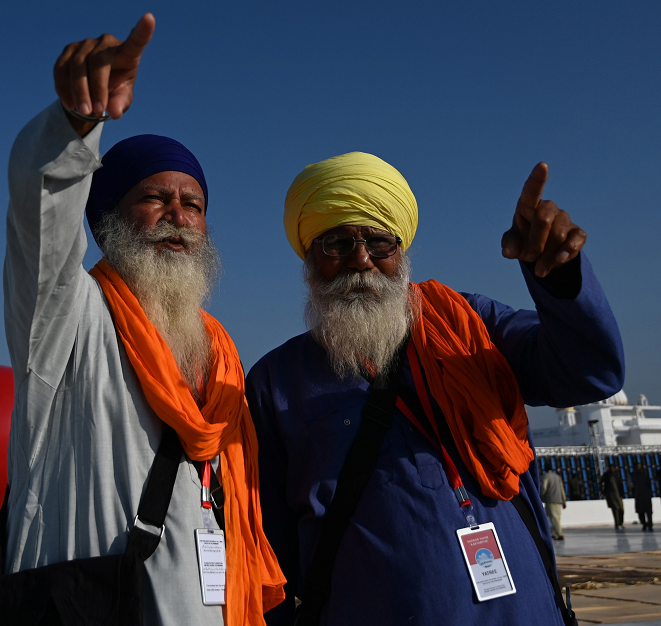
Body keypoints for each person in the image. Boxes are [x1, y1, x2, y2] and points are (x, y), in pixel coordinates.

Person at [0, 14, 283, 626]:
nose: (177, 214)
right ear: (108, 220)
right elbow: (41, 222)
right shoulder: (71, 320)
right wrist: (74, 125)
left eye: (192, 204)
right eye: (154, 198)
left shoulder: (217, 355)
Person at [247, 152, 624, 625]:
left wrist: (562, 279)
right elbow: (266, 560)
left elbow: (590, 372)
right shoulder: (276, 383)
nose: (361, 260)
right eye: (337, 244)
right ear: (309, 260)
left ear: (400, 253)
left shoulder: (470, 324)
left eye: (379, 243)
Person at [541, 471, 567, 540]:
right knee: (557, 518)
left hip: (551, 500)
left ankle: (559, 534)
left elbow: (544, 487)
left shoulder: (546, 476)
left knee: (553, 518)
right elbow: (562, 489)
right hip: (558, 500)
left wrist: (540, 495)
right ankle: (554, 534)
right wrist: (564, 501)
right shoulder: (558, 477)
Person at [601, 465, 625, 530]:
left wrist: (622, 493)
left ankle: (621, 522)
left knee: (621, 509)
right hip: (611, 495)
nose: (612, 469)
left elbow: (620, 484)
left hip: (618, 494)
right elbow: (601, 482)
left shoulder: (617, 475)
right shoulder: (606, 476)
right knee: (615, 509)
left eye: (613, 468)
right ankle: (617, 524)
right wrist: (604, 492)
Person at [632, 462, 654, 532]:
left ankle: (650, 525)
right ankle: (644, 524)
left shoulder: (645, 474)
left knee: (649, 512)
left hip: (646, 495)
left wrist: (649, 493)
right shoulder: (633, 475)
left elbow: (649, 484)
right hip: (638, 495)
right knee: (640, 512)